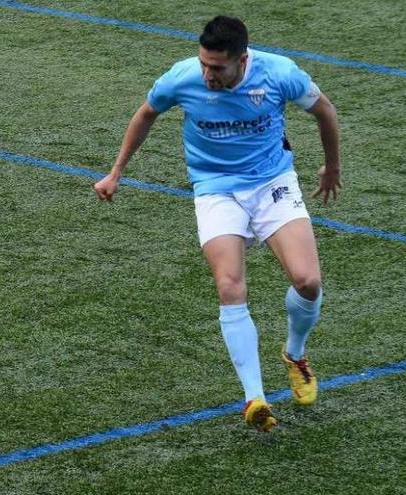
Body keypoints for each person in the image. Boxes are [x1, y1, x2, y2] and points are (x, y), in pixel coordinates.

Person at [93, 16, 341, 431]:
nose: (207, 74)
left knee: (307, 281)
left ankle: (295, 354)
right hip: (215, 189)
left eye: (217, 68)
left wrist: (331, 168)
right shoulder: (182, 77)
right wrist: (116, 172)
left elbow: (325, 111)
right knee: (229, 284)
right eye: (204, 64)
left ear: (242, 60)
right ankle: (255, 397)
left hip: (271, 183)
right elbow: (145, 114)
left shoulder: (279, 73)